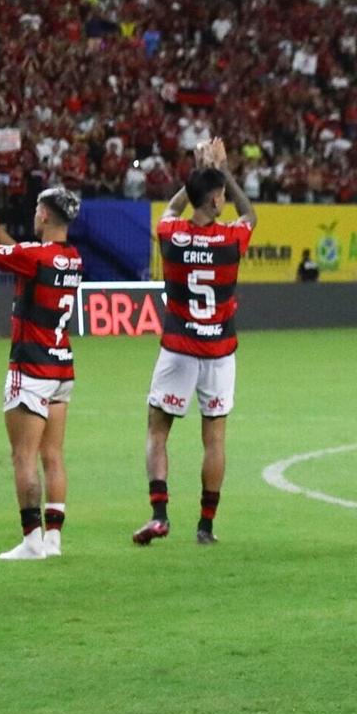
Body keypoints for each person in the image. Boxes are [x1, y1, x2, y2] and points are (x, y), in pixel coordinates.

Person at [135, 140, 256, 547]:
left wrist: (198, 173)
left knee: (157, 431)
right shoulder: (230, 240)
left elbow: (170, 210)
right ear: (218, 200)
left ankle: (159, 514)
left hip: (179, 347)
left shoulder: (172, 234)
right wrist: (224, 172)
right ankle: (205, 526)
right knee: (215, 439)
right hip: (220, 351)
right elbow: (249, 214)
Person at [0, 175, 83, 561]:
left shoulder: (36, 258)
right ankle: (54, 540)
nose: (33, 214)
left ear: (45, 214)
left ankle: (32, 540)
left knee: (23, 455)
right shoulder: (71, 257)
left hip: (31, 367)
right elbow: (20, 252)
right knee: (54, 455)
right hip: (62, 368)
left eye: (36, 209)